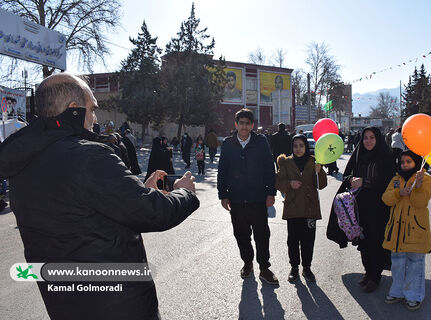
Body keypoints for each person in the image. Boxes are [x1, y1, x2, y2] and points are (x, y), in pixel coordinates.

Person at [0, 73, 199, 320]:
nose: (95, 118)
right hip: (116, 304)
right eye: (92, 109)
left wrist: (139, 190)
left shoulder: (22, 164)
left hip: (64, 302)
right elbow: (153, 213)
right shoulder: (89, 156)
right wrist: (185, 192)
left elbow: (86, 208)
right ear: (74, 109)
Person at [327, 127, 395, 293]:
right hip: (359, 206)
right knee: (363, 240)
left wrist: (365, 182)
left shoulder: (385, 156)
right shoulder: (359, 155)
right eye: (365, 138)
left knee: (376, 240)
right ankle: (368, 271)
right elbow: (347, 175)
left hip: (379, 207)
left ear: (378, 139)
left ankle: (375, 276)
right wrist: (352, 180)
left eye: (372, 137)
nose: (368, 141)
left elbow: (388, 180)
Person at [217, 108, 278, 285]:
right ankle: (247, 262)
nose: (244, 127)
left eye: (247, 123)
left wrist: (270, 193)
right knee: (241, 234)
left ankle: (264, 268)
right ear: (236, 124)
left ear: (252, 125)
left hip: (258, 198)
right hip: (236, 199)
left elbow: (269, 168)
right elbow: (223, 170)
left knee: (262, 235)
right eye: (241, 123)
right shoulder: (228, 144)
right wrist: (223, 194)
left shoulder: (261, 142)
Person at [382, 150, 431, 311]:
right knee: (397, 263)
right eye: (403, 162)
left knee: (415, 264)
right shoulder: (396, 179)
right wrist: (399, 193)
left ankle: (414, 295)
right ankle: (397, 291)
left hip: (415, 232)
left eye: (408, 162)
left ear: (416, 163)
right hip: (397, 231)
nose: (405, 165)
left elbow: (420, 202)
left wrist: (417, 187)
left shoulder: (426, 179)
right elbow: (386, 198)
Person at [275, 134, 327, 283]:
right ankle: (294, 268)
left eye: (301, 146)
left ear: (306, 147)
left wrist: (320, 171)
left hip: (310, 209)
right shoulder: (286, 163)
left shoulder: (314, 162)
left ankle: (307, 268)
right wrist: (290, 184)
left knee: (308, 240)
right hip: (293, 208)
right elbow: (278, 182)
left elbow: (321, 185)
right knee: (293, 240)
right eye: (295, 146)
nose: (298, 149)